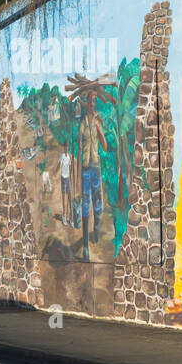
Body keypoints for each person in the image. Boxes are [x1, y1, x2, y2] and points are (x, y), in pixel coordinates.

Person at [75, 98, 108, 261]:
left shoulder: (97, 122)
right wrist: (78, 181)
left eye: (95, 101)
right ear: (87, 104)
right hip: (86, 170)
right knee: (86, 206)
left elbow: (105, 146)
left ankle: (96, 227)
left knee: (98, 204)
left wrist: (98, 127)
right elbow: (80, 151)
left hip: (96, 168)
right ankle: (86, 247)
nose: (93, 104)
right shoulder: (81, 125)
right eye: (91, 101)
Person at [59, 144, 73, 227]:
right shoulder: (62, 156)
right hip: (63, 178)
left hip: (67, 179)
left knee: (70, 198)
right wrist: (55, 171)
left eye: (67, 146)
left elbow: (70, 166)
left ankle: (71, 218)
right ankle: (64, 217)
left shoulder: (69, 157)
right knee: (64, 198)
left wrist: (70, 175)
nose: (67, 148)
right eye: (65, 146)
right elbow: (59, 164)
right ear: (64, 147)